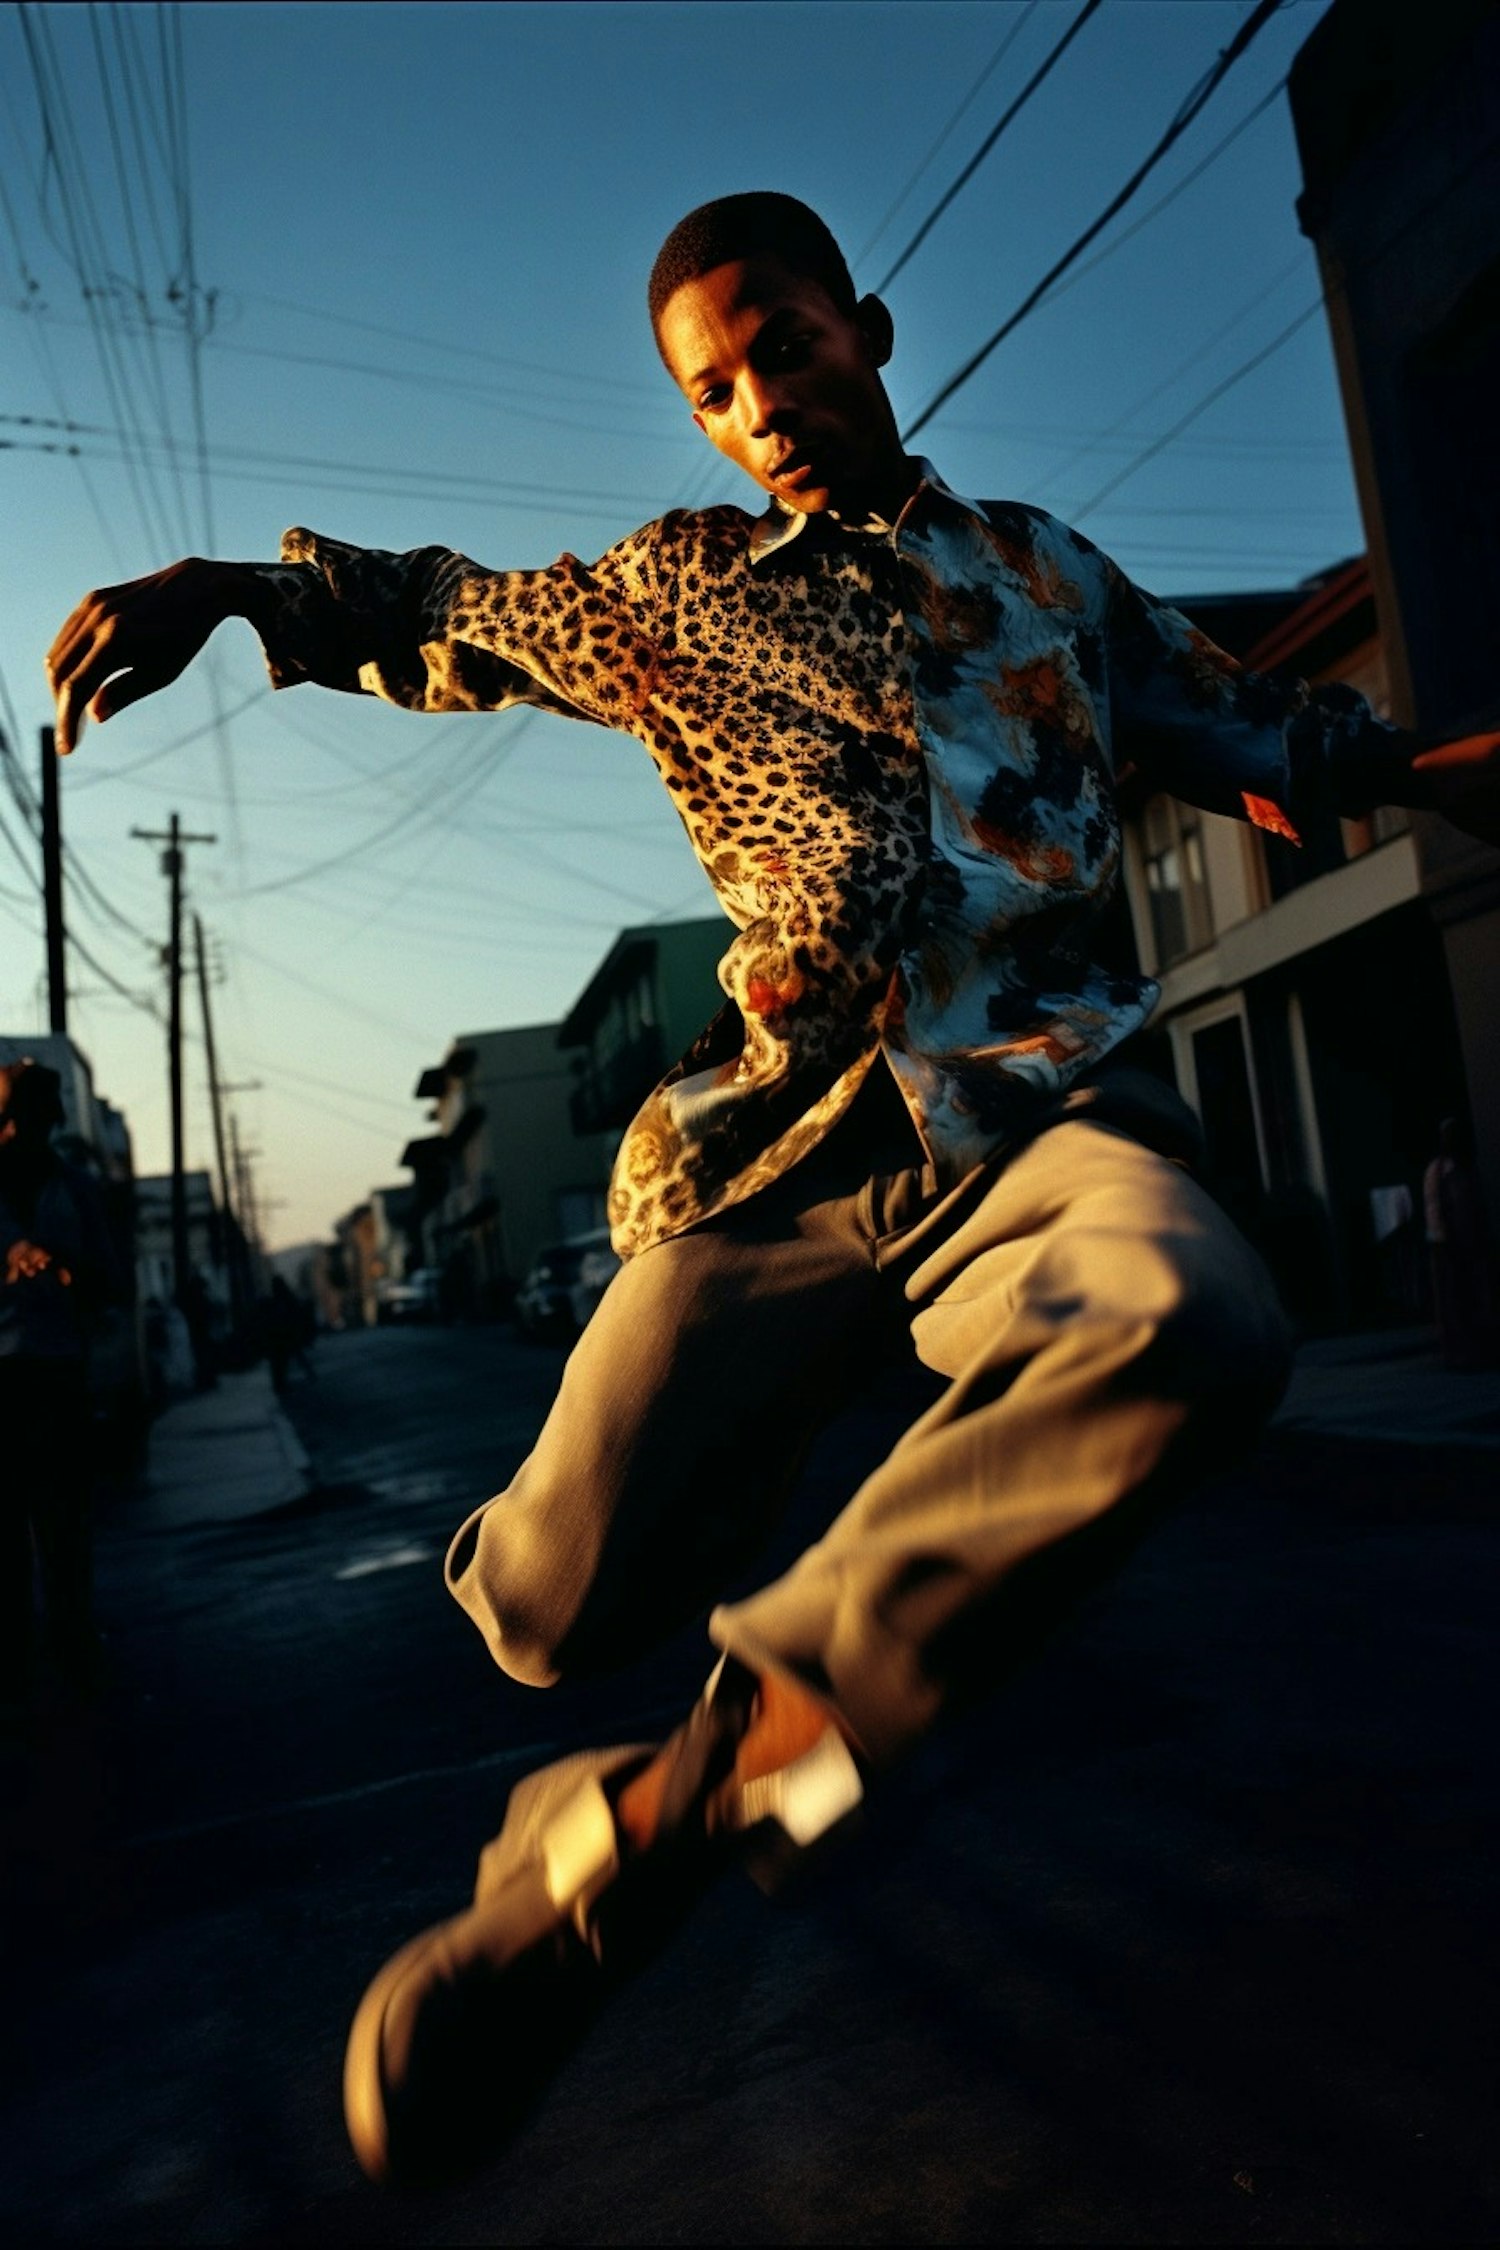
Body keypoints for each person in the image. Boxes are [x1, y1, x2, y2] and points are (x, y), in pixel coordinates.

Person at [45, 192, 1500, 2184]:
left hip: (1032, 1127)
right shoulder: (685, 588)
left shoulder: (1048, 580)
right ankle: (650, 1643)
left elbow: (1260, 719)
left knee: (1197, 1317)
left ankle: (679, 1806)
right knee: (543, 1613)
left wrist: (1418, 766)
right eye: (718, 393)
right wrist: (228, 584)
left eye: (789, 352)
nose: (766, 409)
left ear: (868, 329)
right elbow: (457, 609)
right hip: (778, 1166)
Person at [0, 1058, 121, 1703]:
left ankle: (75, 1650)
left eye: (37, 1115)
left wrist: (70, 1270)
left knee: (64, 1524)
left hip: (55, 1373)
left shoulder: (74, 1187)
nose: (24, 1129)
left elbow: (109, 1278)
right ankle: (16, 1669)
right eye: (15, 1115)